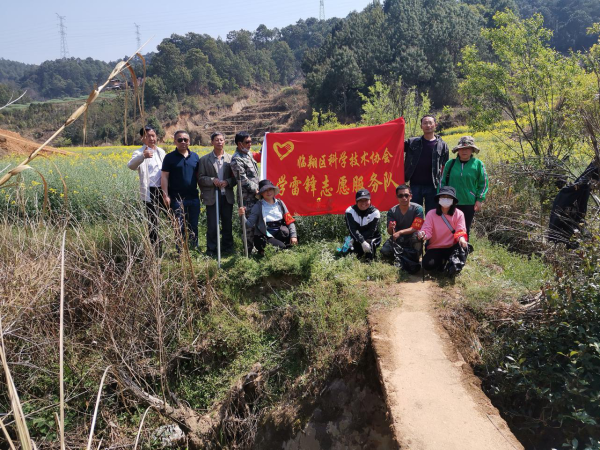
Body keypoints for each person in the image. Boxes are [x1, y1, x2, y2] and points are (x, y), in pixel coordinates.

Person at [439, 135, 488, 237]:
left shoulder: (478, 164)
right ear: (458, 150)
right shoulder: (450, 164)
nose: (464, 151)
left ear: (472, 150)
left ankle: (462, 251)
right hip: (450, 201)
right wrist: (440, 197)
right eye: (461, 149)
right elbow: (442, 181)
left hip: (469, 202)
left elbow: (483, 183)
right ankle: (449, 251)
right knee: (449, 228)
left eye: (467, 149)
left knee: (464, 229)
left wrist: (479, 199)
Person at [161, 130, 201, 249]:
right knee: (179, 226)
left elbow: (198, 175)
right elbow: (164, 176)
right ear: (175, 142)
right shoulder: (169, 158)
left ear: (189, 141)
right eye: (180, 140)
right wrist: (165, 195)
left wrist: (202, 191)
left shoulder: (195, 157)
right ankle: (180, 251)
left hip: (193, 197)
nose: (183, 142)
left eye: (186, 140)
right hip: (177, 198)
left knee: (193, 224)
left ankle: (194, 249)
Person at [127, 126, 166, 247]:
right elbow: (131, 166)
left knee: (171, 215)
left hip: (163, 189)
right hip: (150, 191)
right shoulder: (139, 152)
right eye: (148, 136)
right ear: (142, 138)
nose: (151, 138)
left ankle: (177, 243)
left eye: (153, 135)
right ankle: (155, 246)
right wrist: (142, 156)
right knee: (153, 220)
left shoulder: (161, 152)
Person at [198, 132, 236, 256]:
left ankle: (227, 248)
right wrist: (212, 180)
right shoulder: (204, 159)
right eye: (216, 140)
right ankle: (212, 249)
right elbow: (200, 178)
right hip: (212, 196)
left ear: (224, 142)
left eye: (221, 140)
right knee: (212, 224)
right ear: (212, 142)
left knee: (227, 223)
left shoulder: (231, 159)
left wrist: (227, 182)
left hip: (227, 196)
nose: (219, 142)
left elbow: (236, 179)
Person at [417, 186, 469, 276]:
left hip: (452, 247)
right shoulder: (431, 214)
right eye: (443, 197)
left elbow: (460, 230)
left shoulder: (459, 214)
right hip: (436, 247)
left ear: (453, 200)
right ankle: (441, 262)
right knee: (427, 265)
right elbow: (427, 230)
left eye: (448, 197)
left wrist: (462, 239)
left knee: (458, 259)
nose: (446, 199)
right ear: (438, 199)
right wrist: (423, 234)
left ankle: (449, 265)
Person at [404, 115, 449, 213]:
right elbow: (396, 146)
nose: (428, 125)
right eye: (425, 123)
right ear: (421, 126)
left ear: (435, 125)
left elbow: (445, 166)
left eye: (430, 123)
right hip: (414, 185)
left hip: (433, 186)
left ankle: (429, 229)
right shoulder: (412, 142)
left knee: (432, 214)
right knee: (415, 213)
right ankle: (417, 229)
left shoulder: (442, 145)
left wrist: (443, 186)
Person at [238, 179, 298, 254]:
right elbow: (249, 224)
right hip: (265, 236)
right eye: (265, 190)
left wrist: (293, 236)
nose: (268, 192)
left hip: (279, 234)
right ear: (261, 193)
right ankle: (266, 250)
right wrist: (242, 215)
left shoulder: (280, 203)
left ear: (274, 190)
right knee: (281, 247)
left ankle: (268, 251)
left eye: (270, 189)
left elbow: (289, 221)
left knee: (295, 239)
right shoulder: (258, 206)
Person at [380, 185, 424, 271]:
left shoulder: (418, 209)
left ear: (410, 196)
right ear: (397, 197)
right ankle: (403, 257)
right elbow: (391, 232)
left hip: (412, 236)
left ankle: (414, 256)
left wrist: (400, 232)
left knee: (417, 238)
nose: (404, 198)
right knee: (384, 250)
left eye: (406, 195)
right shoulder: (392, 211)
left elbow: (416, 228)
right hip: (399, 239)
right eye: (400, 196)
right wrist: (390, 228)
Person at [231, 132, 260, 253]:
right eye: (247, 142)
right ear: (239, 144)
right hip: (246, 197)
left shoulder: (248, 155)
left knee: (257, 222)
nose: (250, 144)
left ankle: (257, 248)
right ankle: (247, 250)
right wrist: (257, 190)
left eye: (250, 141)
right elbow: (243, 180)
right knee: (248, 224)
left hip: (256, 196)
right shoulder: (237, 159)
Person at [344, 189, 382, 260]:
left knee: (369, 253)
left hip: (372, 237)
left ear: (370, 200)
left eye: (366, 200)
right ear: (356, 201)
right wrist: (359, 241)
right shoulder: (349, 211)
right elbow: (352, 229)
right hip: (356, 237)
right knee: (353, 253)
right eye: (361, 200)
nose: (364, 203)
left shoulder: (375, 212)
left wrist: (361, 241)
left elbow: (371, 231)